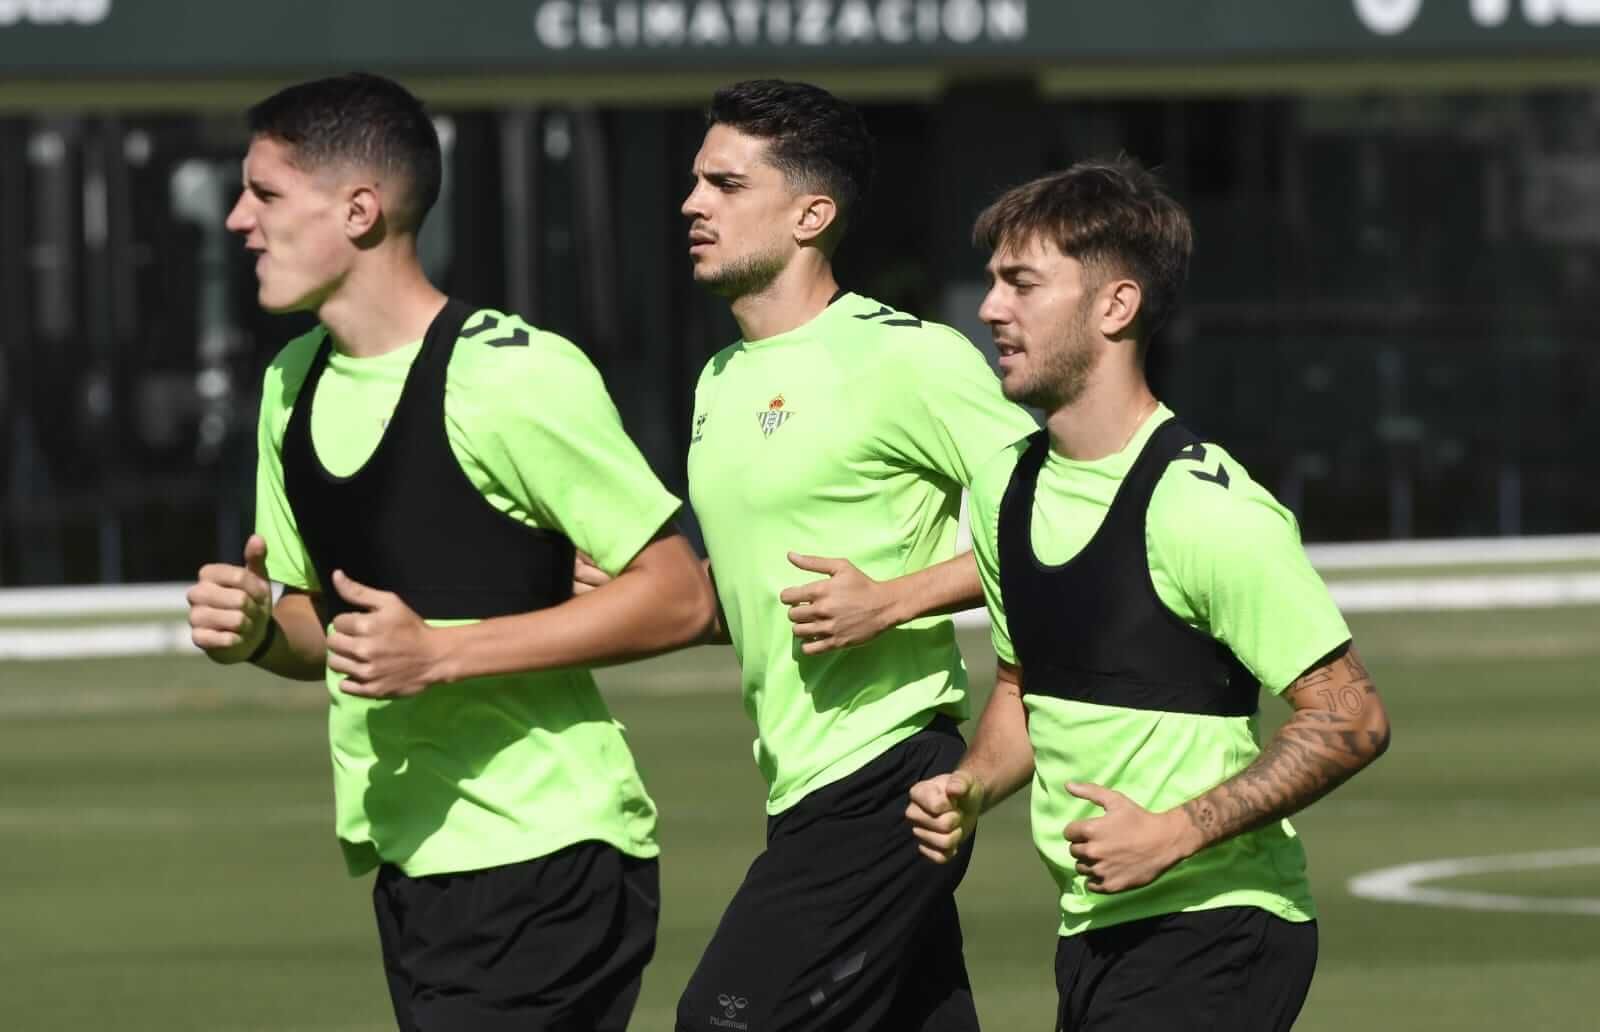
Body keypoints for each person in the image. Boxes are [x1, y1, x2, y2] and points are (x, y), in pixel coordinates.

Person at [183, 72, 715, 1032]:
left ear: (359, 209)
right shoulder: (288, 383)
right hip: (413, 858)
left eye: (263, 194)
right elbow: (323, 633)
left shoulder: (512, 375)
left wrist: (445, 653)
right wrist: (262, 631)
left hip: (549, 855)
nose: (236, 220)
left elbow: (678, 596)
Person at [905, 156, 1392, 1031]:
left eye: (1021, 283)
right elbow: (1025, 687)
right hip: (1094, 933)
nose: (989, 309)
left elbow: (1350, 717)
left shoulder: (1206, 508)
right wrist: (974, 784)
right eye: (991, 284)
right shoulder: (1007, 493)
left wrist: (1177, 830)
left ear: (1115, 306)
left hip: (1220, 926)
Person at [669, 79, 1038, 1031]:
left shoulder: (908, 358)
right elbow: (767, 579)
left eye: (724, 183)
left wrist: (897, 600)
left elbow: (1064, 522)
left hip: (886, 777)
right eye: (694, 182)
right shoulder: (718, 378)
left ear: (811, 214)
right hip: (799, 781)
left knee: (725, 1019)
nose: (693, 204)